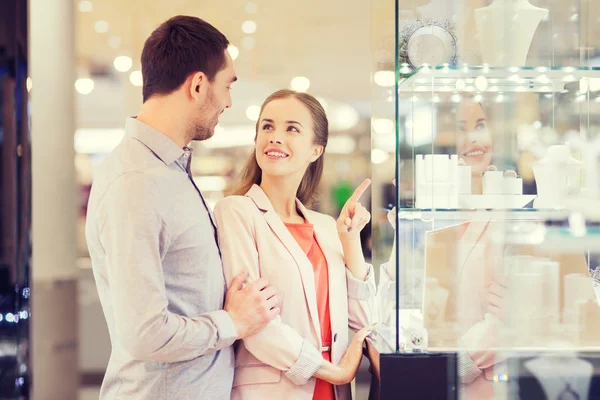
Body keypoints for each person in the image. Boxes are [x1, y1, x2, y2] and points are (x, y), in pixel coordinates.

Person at [85, 16, 281, 400]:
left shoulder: (168, 171)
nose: (227, 102)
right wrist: (234, 321)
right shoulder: (137, 183)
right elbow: (145, 334)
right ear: (197, 85)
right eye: (227, 86)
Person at [214, 89, 376, 400]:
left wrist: (350, 238)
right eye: (267, 126)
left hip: (334, 390)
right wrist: (333, 371)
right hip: (277, 390)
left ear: (316, 149)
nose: (275, 137)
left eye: (291, 128)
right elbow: (254, 324)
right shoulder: (237, 212)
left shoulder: (326, 227)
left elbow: (365, 319)